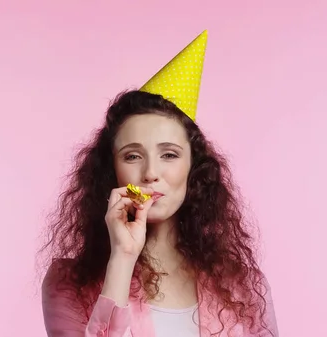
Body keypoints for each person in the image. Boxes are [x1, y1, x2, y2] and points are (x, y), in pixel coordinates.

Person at [38, 30, 279, 337]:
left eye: (169, 154)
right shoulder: (67, 281)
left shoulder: (243, 285)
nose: (151, 173)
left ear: (194, 169)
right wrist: (122, 258)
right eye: (132, 156)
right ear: (110, 172)